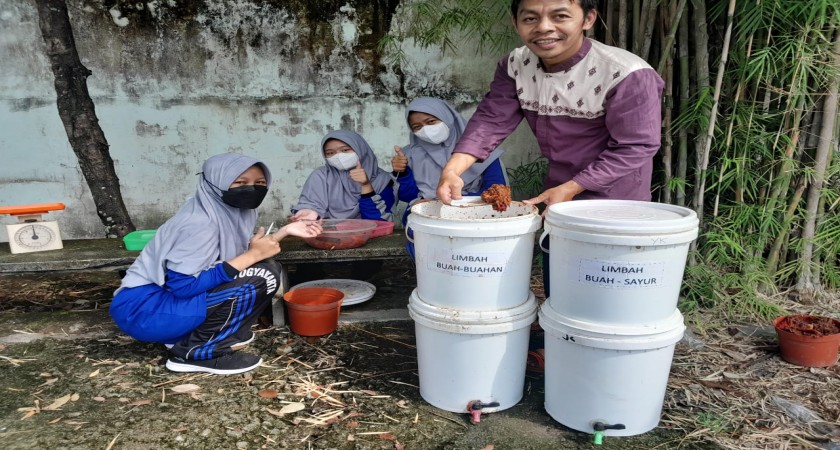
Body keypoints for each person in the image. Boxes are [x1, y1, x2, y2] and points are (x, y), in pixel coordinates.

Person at [435, 0, 665, 295]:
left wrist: (574, 185)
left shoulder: (626, 73)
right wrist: (453, 169)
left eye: (560, 16)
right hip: (558, 186)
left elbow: (636, 145)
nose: (544, 27)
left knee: (606, 279)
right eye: (530, 18)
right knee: (558, 267)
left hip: (616, 194)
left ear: (588, 18)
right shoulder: (515, 65)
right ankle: (556, 336)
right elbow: (491, 120)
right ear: (515, 23)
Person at [110, 153, 322, 375]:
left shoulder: (226, 210)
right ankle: (197, 352)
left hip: (161, 303)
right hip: (144, 311)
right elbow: (183, 287)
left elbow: (245, 254)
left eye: (259, 183)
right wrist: (252, 256)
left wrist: (285, 231)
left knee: (268, 267)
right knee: (261, 276)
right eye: (240, 182)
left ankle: (198, 334)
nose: (251, 189)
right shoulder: (199, 223)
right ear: (215, 182)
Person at [390, 97, 507, 258]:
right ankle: (433, 275)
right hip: (428, 212)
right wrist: (402, 172)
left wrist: (456, 204)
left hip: (475, 211)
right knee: (420, 234)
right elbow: (407, 196)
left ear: (447, 117)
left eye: (431, 122)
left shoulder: (482, 150)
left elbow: (497, 190)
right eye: (417, 127)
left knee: (463, 242)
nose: (425, 130)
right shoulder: (410, 153)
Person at [290, 130, 395, 223]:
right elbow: (311, 206)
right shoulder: (321, 176)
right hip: (330, 237)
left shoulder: (382, 180)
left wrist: (366, 185)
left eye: (345, 150)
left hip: (372, 239)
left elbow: (379, 222)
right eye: (330, 153)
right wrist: (308, 214)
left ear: (360, 149)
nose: (338, 156)